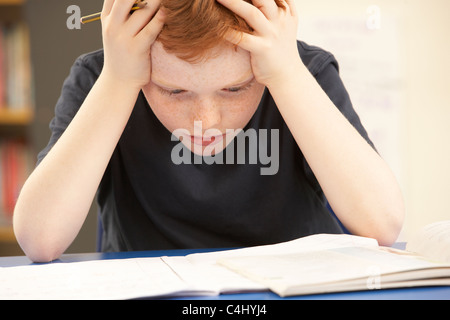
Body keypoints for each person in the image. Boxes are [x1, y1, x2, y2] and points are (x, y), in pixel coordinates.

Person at [13, 0, 404, 262]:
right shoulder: (107, 77)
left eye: (234, 89)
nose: (206, 120)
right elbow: (39, 239)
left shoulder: (299, 72)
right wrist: (117, 81)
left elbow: (382, 224)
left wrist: (287, 74)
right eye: (174, 90)